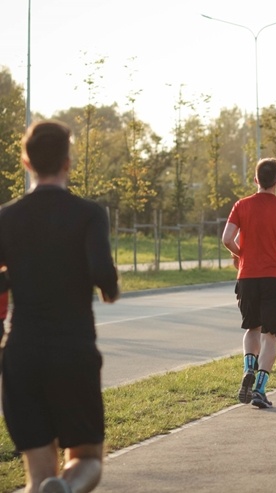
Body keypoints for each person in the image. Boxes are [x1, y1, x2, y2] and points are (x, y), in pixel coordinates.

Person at [0, 120, 120, 493]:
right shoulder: (88, 214)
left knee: (38, 476)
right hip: (72, 351)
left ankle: (51, 487)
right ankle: (66, 489)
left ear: (25, 161)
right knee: (87, 460)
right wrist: (109, 289)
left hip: (22, 354)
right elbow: (103, 274)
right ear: (68, 163)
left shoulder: (5, 218)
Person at [222, 157, 276, 409]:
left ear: (256, 179)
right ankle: (259, 388)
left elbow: (227, 239)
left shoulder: (240, 205)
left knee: (252, 329)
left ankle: (248, 367)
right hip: (274, 277)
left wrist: (241, 254)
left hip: (247, 276)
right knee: (270, 336)